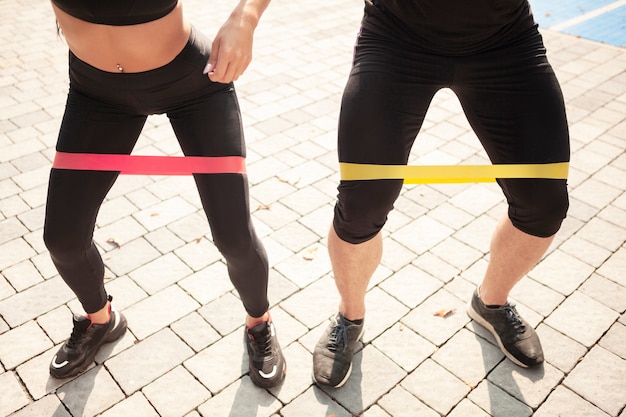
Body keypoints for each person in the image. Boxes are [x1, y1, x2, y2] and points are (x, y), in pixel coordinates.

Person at [312, 0, 570, 388]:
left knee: (544, 205)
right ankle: (350, 317)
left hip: (504, 40)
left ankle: (491, 303)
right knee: (361, 205)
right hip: (397, 39)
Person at [44, 0, 286, 389]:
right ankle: (100, 319)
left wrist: (245, 17)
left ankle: (259, 323)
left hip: (193, 84)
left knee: (234, 238)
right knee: (63, 239)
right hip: (96, 92)